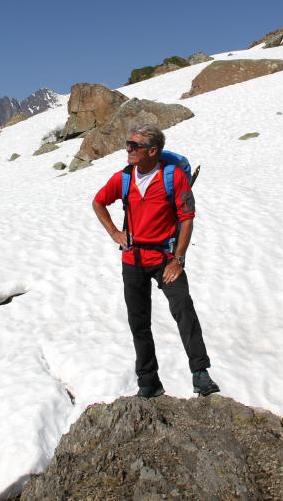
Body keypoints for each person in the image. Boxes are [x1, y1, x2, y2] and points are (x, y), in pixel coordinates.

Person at [92, 124, 219, 398]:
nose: (128, 149)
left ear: (153, 151)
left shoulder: (173, 177)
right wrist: (115, 232)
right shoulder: (123, 178)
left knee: (183, 309)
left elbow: (186, 220)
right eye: (128, 144)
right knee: (139, 322)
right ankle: (148, 382)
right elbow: (98, 202)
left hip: (165, 258)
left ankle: (200, 373)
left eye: (134, 146)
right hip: (133, 258)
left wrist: (179, 260)